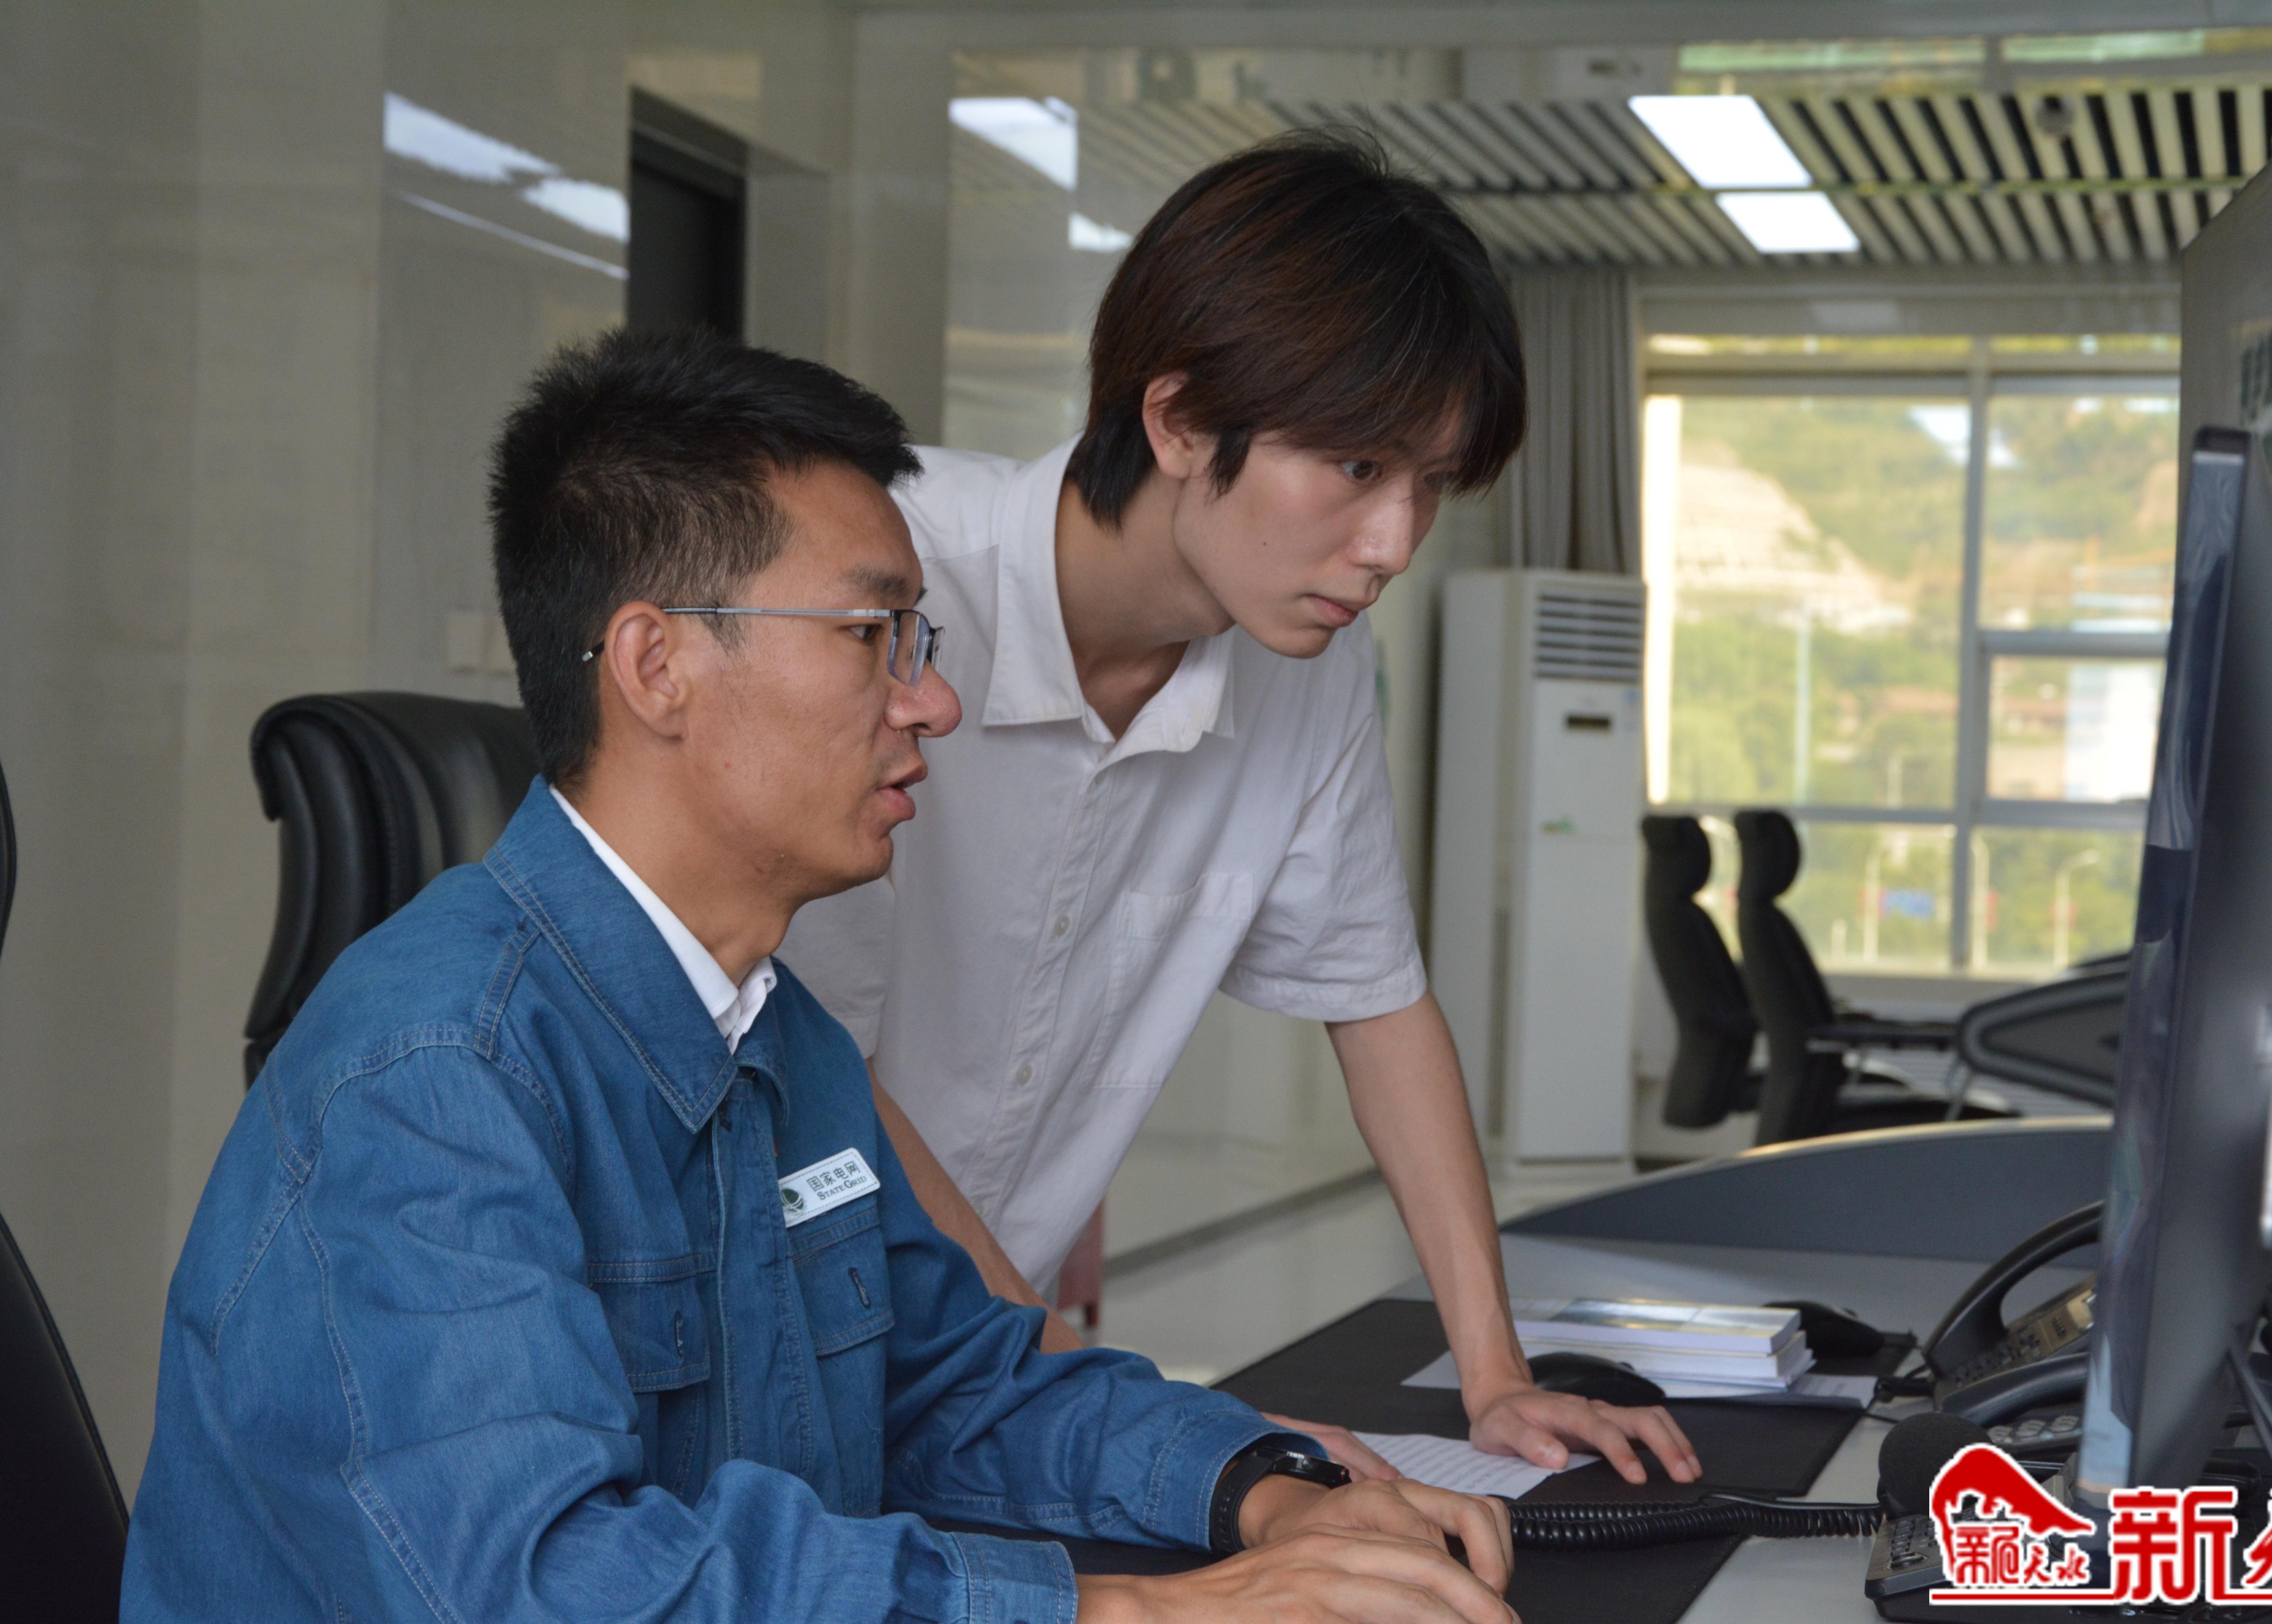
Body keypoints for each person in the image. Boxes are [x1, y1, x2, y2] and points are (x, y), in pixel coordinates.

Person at [122, 330, 1522, 1624]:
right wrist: (1138, 1611)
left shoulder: (776, 1035)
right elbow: (552, 1581)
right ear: (657, 665)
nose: (934, 702)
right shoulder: (433, 1079)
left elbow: (958, 1390)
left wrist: (1264, 1491)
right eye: (873, 637)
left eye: (923, 641)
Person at [778, 130, 1699, 1488]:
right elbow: (805, 1051)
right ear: (1179, 422)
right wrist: (1093, 1402)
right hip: (762, 1342)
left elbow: (1377, 1001)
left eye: (1431, 485)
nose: (1393, 546)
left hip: (976, 1376)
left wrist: (1496, 1377)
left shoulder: (1308, 669)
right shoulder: (884, 576)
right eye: (1358, 468)